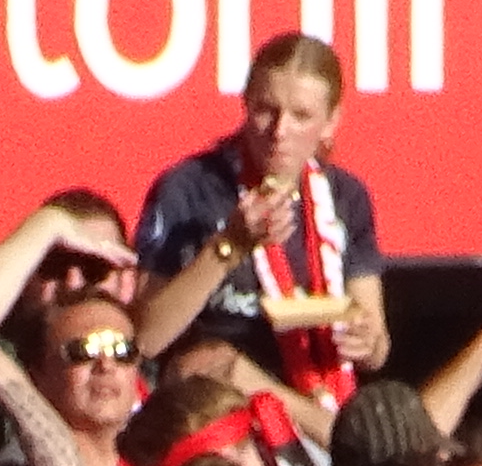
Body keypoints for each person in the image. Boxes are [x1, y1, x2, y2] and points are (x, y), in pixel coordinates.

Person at [132, 31, 382, 401]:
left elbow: (377, 347)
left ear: (331, 122)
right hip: (215, 407)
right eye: (267, 110)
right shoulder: (189, 188)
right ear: (245, 104)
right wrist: (229, 247)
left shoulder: (346, 196)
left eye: (301, 116)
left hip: (320, 404)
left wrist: (366, 341)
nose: (280, 131)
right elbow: (145, 337)